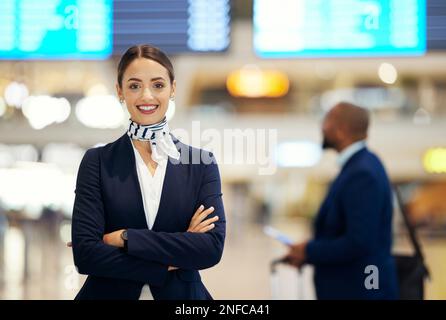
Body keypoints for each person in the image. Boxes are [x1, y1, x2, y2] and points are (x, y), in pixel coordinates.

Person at [71, 44, 226, 300]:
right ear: (120, 91)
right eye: (134, 86)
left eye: (158, 85)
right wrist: (172, 257)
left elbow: (210, 248)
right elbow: (86, 254)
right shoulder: (97, 162)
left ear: (173, 89)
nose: (146, 96)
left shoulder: (201, 163)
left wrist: (125, 237)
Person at [283, 102, 398, 300]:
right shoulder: (363, 165)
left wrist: (309, 251)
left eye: (327, 120)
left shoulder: (361, 173)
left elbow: (359, 242)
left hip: (360, 291)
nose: (322, 127)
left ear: (341, 131)